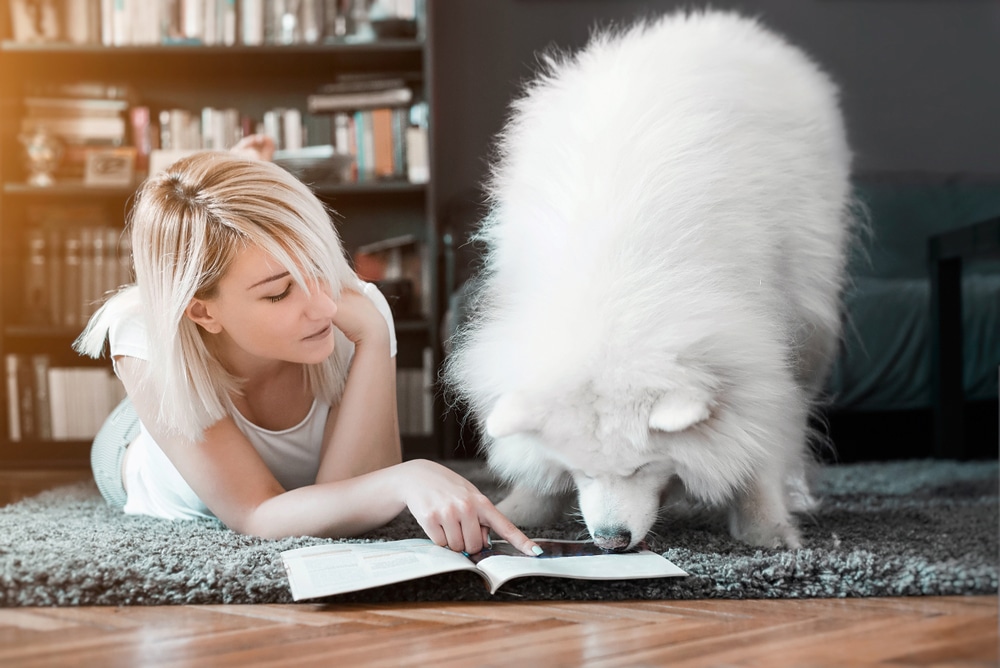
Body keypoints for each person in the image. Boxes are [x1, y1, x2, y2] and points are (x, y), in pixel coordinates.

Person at [75, 137, 542, 557]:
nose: (322, 307)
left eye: (318, 265)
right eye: (279, 292)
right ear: (203, 312)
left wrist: (375, 338)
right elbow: (256, 514)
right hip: (138, 440)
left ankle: (239, 177)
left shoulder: (352, 308)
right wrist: (406, 475)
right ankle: (226, 182)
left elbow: (345, 508)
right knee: (163, 330)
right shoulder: (143, 334)